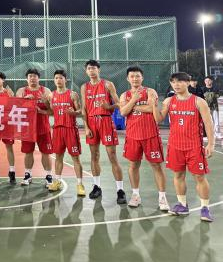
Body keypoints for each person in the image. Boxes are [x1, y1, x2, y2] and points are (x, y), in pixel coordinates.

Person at [162, 72, 214, 222]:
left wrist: (210, 143)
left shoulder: (199, 101)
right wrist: (153, 105)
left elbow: (208, 123)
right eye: (173, 82)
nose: (176, 85)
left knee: (199, 177)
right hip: (175, 145)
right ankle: (182, 205)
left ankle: (205, 208)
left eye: (180, 81)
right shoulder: (168, 101)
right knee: (178, 176)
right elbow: (158, 118)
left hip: (194, 146)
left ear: (188, 82)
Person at [118, 66, 169, 210]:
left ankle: (162, 197)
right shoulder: (124, 95)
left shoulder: (150, 91)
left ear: (142, 78)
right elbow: (123, 112)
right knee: (133, 165)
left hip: (150, 134)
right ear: (128, 79)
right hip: (133, 136)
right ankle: (135, 195)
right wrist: (134, 100)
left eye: (137, 76)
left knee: (157, 166)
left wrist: (132, 106)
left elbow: (152, 108)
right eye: (132, 76)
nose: (135, 79)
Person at [81, 60, 126, 204]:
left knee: (112, 156)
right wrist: (86, 127)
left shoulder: (107, 84)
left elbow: (119, 104)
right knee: (94, 155)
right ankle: (96, 186)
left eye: (94, 68)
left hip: (106, 120)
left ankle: (120, 190)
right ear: (86, 71)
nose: (91, 70)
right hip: (91, 122)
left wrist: (109, 107)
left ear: (98, 70)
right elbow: (84, 109)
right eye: (89, 68)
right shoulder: (84, 87)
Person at [47, 70, 85, 197]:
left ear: (65, 80)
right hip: (57, 129)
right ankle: (57, 181)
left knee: (75, 158)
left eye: (61, 78)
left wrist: (74, 113)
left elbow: (80, 111)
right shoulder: (51, 96)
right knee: (58, 157)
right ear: (54, 80)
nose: (58, 80)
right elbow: (51, 111)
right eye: (56, 78)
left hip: (70, 129)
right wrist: (41, 110)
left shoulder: (73, 95)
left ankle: (80, 184)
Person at [16, 69, 53, 187]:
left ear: (38, 78)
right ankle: (28, 175)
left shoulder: (46, 91)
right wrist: (24, 101)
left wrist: (44, 104)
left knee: (45, 152)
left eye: (35, 76)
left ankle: (48, 176)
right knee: (28, 152)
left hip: (43, 127)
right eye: (30, 76)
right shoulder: (21, 91)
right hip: (28, 128)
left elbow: (51, 111)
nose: (32, 78)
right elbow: (16, 108)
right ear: (27, 78)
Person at [203, 76, 221, 143]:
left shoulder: (215, 88)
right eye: (206, 81)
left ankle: (217, 134)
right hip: (206, 108)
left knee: (216, 121)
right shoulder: (203, 89)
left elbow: (218, 95)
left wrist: (212, 95)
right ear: (204, 82)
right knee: (208, 122)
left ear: (212, 81)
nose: (207, 82)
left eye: (209, 80)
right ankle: (209, 134)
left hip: (214, 107)